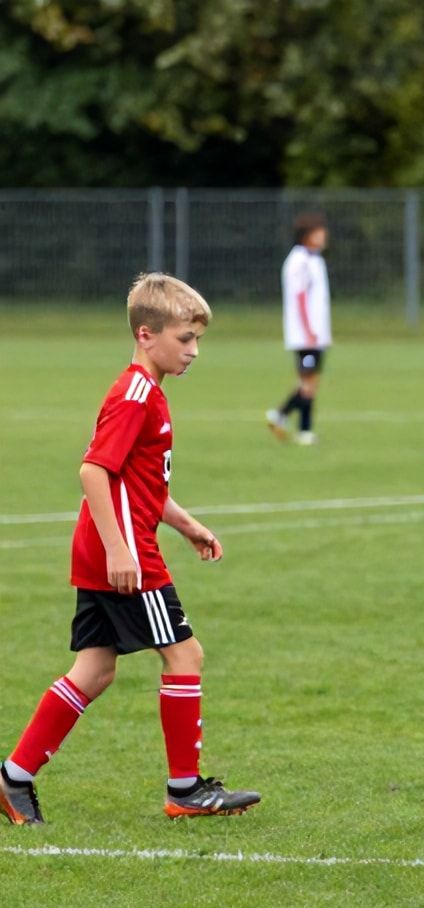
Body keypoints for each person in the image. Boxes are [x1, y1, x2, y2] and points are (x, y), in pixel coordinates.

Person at [1, 273, 261, 826]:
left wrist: (187, 525)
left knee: (94, 670)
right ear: (147, 335)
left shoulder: (148, 392)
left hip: (108, 548)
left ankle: (12, 778)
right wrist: (123, 552)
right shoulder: (136, 395)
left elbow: (139, 486)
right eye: (184, 339)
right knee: (185, 655)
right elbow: (93, 471)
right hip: (125, 554)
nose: (193, 351)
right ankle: (185, 790)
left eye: (197, 340)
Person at [267, 212, 332, 446]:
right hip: (306, 336)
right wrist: (309, 329)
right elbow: (300, 297)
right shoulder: (299, 261)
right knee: (307, 384)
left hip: (316, 334)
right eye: (318, 233)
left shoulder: (314, 259)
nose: (323, 237)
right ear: (306, 236)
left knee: (310, 383)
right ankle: (301, 428)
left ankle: (281, 416)